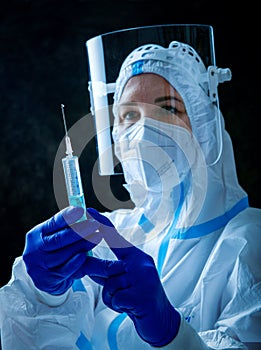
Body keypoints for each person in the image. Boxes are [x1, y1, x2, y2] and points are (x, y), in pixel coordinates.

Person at [0, 28, 261, 350]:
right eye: (128, 115)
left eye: (168, 109)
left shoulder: (250, 241)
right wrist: (41, 294)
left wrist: (172, 333)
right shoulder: (110, 236)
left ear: (205, 127)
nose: (143, 130)